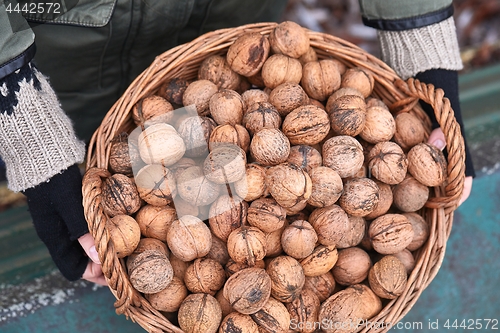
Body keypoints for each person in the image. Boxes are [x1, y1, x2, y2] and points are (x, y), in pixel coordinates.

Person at [0, 0, 474, 286]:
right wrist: (21, 120)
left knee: (189, 132)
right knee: (112, 153)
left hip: (232, 30)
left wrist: (420, 34)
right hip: (61, 45)